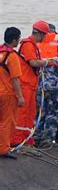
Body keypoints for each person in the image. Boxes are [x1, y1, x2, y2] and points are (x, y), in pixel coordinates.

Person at [11, 21, 52, 147]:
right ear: (39, 34)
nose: (45, 37)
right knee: (22, 113)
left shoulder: (33, 45)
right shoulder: (28, 45)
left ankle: (27, 138)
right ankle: (16, 139)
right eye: (44, 35)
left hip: (31, 84)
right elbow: (33, 63)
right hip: (25, 84)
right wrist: (46, 62)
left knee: (30, 113)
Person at [34, 23, 58, 146]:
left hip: (38, 84)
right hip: (53, 85)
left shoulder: (34, 46)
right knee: (53, 112)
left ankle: (36, 136)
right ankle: (48, 138)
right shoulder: (57, 46)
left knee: (39, 111)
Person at [0, 27, 23, 159]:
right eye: (18, 39)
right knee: (7, 121)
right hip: (7, 94)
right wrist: (20, 96)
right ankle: (3, 149)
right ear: (14, 40)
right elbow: (15, 79)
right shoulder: (12, 56)